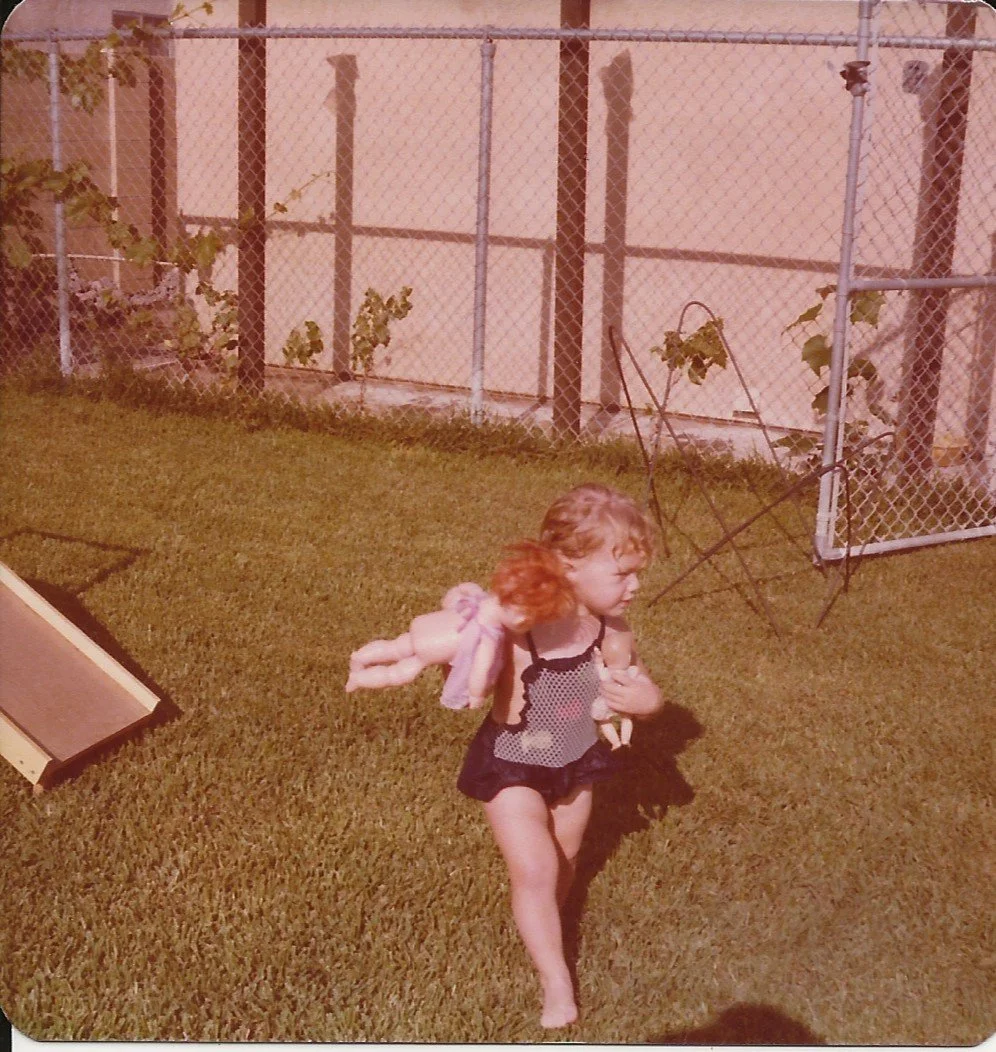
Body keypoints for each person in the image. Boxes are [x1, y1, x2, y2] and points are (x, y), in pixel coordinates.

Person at [456, 483, 663, 1029]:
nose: (635, 586)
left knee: (564, 864)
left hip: (575, 758)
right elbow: (488, 625)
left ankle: (544, 920)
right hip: (513, 760)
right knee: (535, 865)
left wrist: (645, 701)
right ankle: (557, 983)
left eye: (637, 572)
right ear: (569, 566)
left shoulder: (610, 627)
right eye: (621, 574)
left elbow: (630, 680)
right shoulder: (528, 621)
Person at [345, 541, 575, 709]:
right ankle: (359, 679)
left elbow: (460, 589)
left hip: (426, 626)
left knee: (395, 646)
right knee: (399, 673)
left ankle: (360, 657)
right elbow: (480, 669)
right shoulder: (490, 634)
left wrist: (449, 604)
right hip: (434, 649)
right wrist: (476, 696)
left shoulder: (478, 597)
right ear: (521, 618)